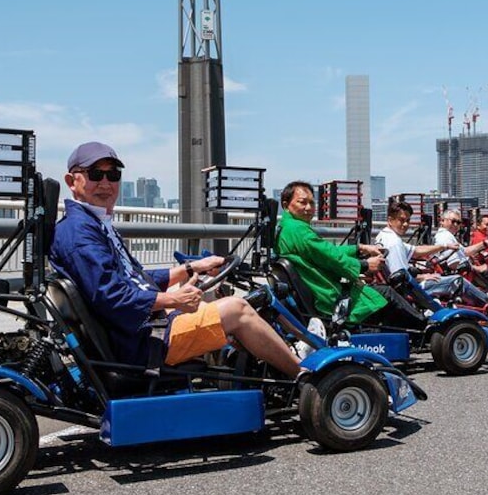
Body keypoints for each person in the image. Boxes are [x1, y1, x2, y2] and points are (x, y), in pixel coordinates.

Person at [49, 141, 303, 378]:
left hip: (138, 330)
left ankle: (262, 364)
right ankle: (306, 378)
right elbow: (111, 296)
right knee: (238, 309)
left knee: (214, 303)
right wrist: (173, 299)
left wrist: (191, 268)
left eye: (113, 175)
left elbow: (136, 280)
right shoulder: (79, 234)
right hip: (140, 343)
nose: (106, 183)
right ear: (72, 181)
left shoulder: (93, 224)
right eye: (96, 174)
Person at [275, 181, 428, 331]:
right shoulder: (299, 231)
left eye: (311, 203)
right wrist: (365, 265)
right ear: (286, 205)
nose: (309, 208)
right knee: (386, 294)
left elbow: (325, 251)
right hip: (329, 298)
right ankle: (426, 329)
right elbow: (331, 257)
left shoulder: (287, 228)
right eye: (302, 203)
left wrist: (359, 248)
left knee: (381, 293)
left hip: (318, 292)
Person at [374, 201, 487, 305]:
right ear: (390, 220)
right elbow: (400, 277)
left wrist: (444, 246)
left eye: (407, 221)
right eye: (401, 220)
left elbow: (416, 250)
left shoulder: (384, 236)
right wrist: (423, 277)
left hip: (402, 286)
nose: (405, 225)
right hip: (410, 290)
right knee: (458, 281)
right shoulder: (394, 243)